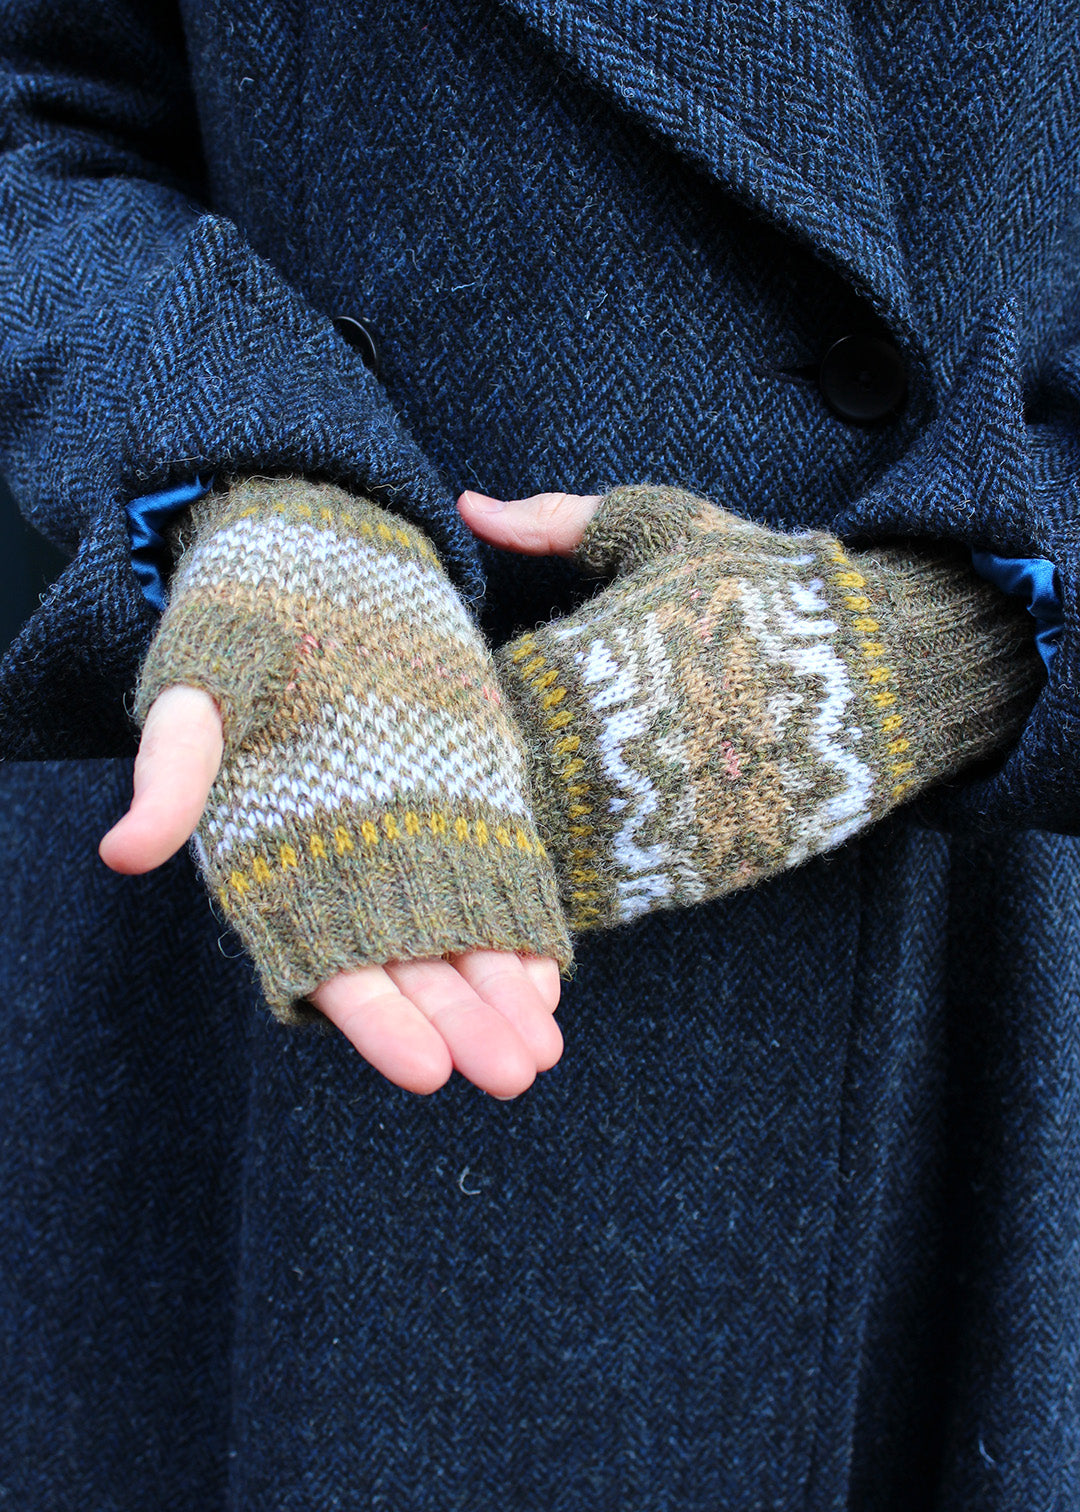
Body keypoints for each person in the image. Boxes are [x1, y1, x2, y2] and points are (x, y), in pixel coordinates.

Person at [1, 2, 1078, 1507]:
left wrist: (959, 636)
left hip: (968, 999)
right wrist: (262, 473)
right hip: (284, 903)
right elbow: (41, 116)